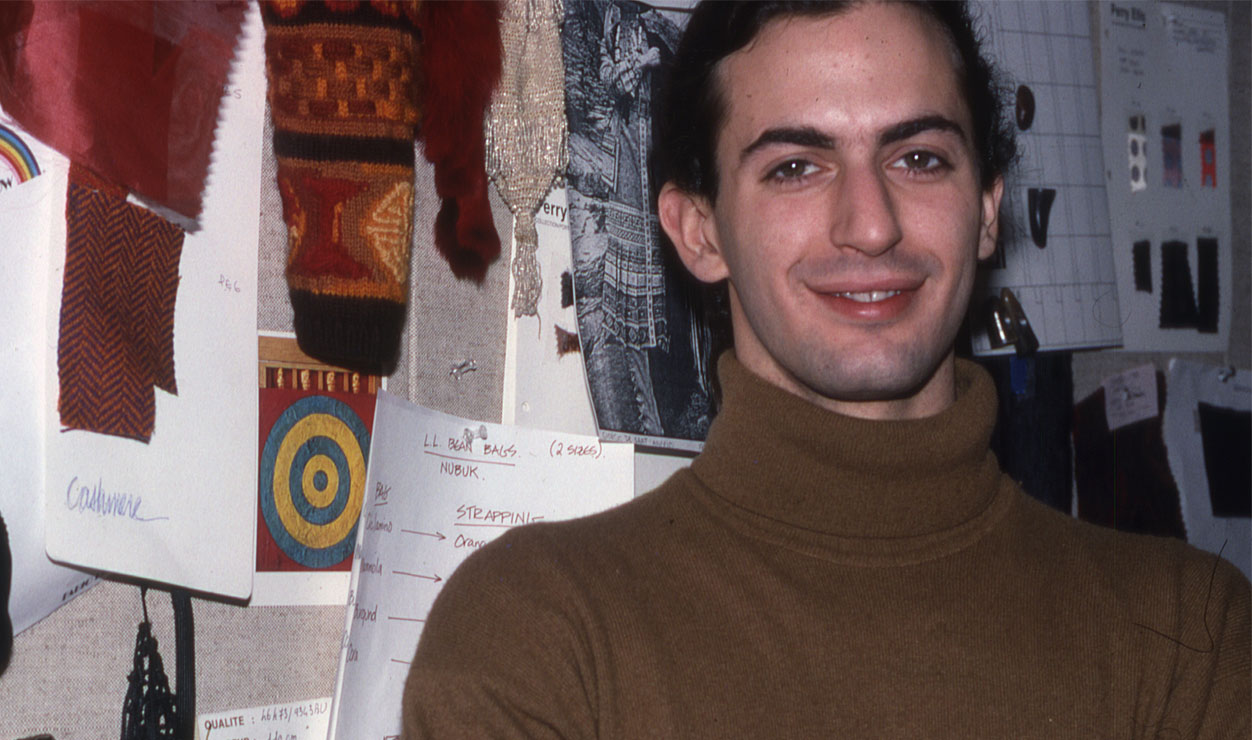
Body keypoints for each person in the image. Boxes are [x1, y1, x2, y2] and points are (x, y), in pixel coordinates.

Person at [401, 2, 1249, 737]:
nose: (871, 225)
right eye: (796, 167)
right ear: (699, 231)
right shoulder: (539, 633)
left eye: (918, 157)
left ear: (988, 210)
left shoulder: (1186, 634)